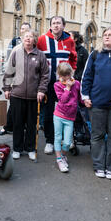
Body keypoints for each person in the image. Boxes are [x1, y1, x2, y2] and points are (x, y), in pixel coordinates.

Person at [3, 30, 49, 161]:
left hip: (34, 97)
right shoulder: (16, 53)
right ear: (22, 39)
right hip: (17, 95)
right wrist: (6, 88)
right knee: (17, 123)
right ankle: (17, 149)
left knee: (31, 124)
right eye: (26, 37)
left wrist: (41, 90)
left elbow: (45, 75)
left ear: (35, 40)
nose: (28, 39)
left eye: (31, 37)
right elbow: (9, 72)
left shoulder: (40, 55)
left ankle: (30, 148)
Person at [81, 26, 111, 180]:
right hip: (96, 102)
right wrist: (85, 96)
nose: (107, 37)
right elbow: (87, 77)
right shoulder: (95, 55)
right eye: (105, 34)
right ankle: (99, 166)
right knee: (97, 136)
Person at [37, 16, 77, 155]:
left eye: (58, 23)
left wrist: (71, 76)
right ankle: (49, 140)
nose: (56, 25)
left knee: (67, 110)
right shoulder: (42, 39)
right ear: (50, 25)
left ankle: (68, 138)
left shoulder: (69, 40)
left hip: (64, 84)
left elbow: (73, 58)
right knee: (48, 113)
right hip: (48, 83)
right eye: (53, 23)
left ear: (63, 26)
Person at [0, 22, 31, 136]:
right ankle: (7, 126)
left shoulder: (32, 42)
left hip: (28, 81)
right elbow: (9, 59)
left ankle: (22, 126)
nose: (23, 30)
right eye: (22, 28)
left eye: (26, 29)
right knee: (13, 105)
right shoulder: (14, 41)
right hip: (16, 78)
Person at [53, 63, 83, 173]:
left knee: (67, 142)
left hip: (70, 117)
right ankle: (59, 159)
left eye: (68, 74)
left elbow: (80, 99)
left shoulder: (77, 84)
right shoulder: (57, 85)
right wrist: (68, 88)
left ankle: (63, 156)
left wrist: (87, 102)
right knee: (57, 137)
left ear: (71, 72)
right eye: (63, 75)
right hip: (59, 115)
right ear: (59, 74)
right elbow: (63, 100)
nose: (66, 77)